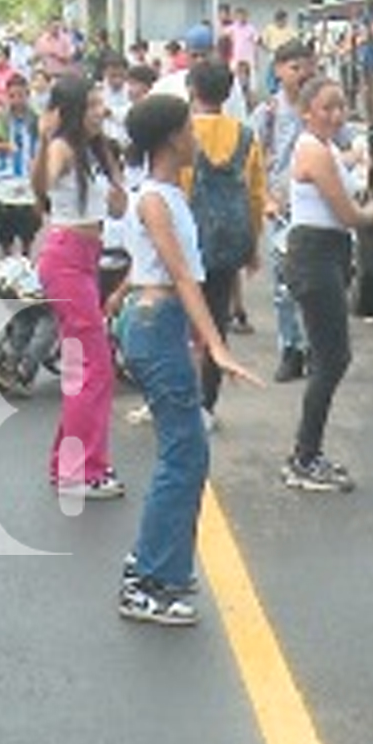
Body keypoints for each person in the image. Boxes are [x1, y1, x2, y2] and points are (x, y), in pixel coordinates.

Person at [116, 93, 262, 626]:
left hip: (160, 324)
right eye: (188, 130)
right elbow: (179, 276)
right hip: (158, 326)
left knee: (187, 452)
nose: (196, 139)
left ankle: (164, 567)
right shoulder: (156, 199)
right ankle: (147, 580)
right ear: (171, 138)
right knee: (183, 454)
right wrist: (216, 345)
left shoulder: (167, 195)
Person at [282, 77, 373, 493]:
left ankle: (308, 454)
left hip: (326, 254)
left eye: (341, 107)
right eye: (326, 108)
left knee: (331, 357)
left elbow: (342, 165)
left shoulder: (324, 149)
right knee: (332, 358)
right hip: (315, 254)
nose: (336, 114)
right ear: (306, 112)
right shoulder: (313, 151)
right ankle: (305, 458)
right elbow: (348, 215)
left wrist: (355, 155)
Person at [31, 74, 128, 499]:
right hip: (66, 257)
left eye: (99, 104)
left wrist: (113, 164)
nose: (99, 112)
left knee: (86, 365)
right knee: (95, 366)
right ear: (71, 111)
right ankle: (82, 470)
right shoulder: (62, 148)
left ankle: (69, 464)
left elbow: (120, 204)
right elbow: (42, 189)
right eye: (90, 106)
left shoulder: (94, 150)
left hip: (88, 257)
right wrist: (44, 138)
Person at [182, 61, 266, 432]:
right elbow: (256, 196)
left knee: (179, 324)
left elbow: (177, 189)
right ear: (229, 92)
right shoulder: (245, 136)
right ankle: (207, 405)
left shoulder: (181, 133)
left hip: (187, 243)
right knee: (216, 324)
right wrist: (252, 244)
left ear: (190, 88)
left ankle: (176, 400)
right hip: (228, 243)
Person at [252, 40, 317, 382]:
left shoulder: (320, 110)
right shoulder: (268, 113)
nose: (302, 75)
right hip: (282, 210)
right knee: (284, 285)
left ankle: (316, 348)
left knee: (319, 283)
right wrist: (265, 200)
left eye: (307, 68)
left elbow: (347, 144)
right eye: (295, 68)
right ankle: (290, 348)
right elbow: (253, 162)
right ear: (278, 70)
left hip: (317, 207)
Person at [152, 23, 247, 121]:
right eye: (195, 56)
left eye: (204, 55)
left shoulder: (228, 82)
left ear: (213, 52)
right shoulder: (167, 85)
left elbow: (240, 119)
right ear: (186, 54)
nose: (200, 61)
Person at [0, 72, 42, 256]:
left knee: (28, 226)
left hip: (29, 177)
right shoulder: (2, 118)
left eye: (20, 95)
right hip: (5, 176)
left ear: (27, 95)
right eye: (12, 96)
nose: (16, 100)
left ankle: (26, 257)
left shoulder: (36, 119)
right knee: (5, 226)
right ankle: (7, 257)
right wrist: (5, 146)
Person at [98, 50, 132, 150]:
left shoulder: (132, 91)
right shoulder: (96, 91)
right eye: (113, 75)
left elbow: (132, 114)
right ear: (104, 73)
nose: (117, 80)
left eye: (121, 75)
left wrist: (110, 112)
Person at [259, 8, 298, 93]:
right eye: (280, 20)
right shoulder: (270, 28)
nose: (282, 22)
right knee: (272, 76)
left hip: (286, 56)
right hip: (274, 54)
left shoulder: (289, 29)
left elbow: (295, 41)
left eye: (284, 19)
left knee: (285, 75)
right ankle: (273, 92)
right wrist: (268, 49)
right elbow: (261, 41)